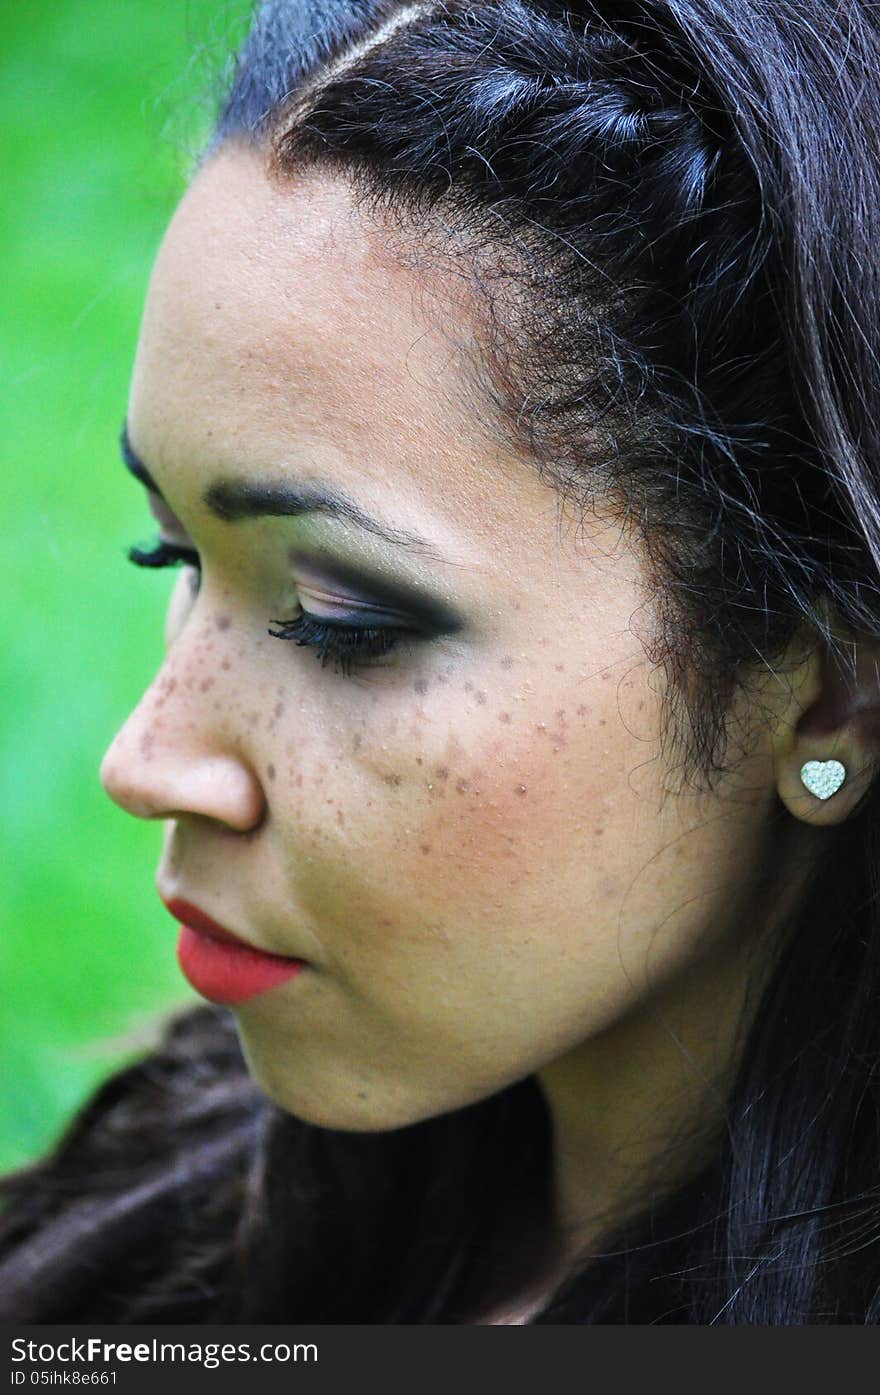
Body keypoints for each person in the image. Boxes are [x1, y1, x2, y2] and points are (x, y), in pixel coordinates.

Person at [2, 0, 880, 1325]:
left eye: (341, 617)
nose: (149, 761)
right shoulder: (156, 1240)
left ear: (828, 691)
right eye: (174, 556)